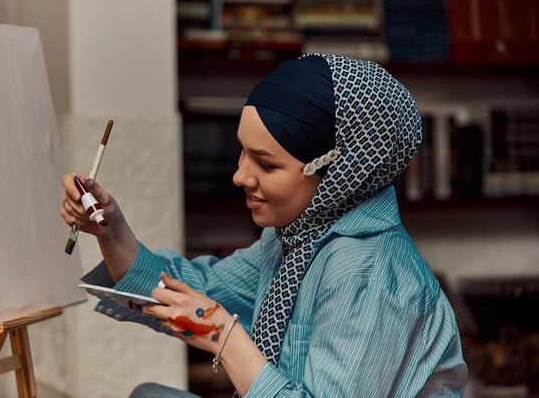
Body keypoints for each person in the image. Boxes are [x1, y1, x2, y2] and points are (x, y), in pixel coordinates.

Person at [60, 53, 468, 397]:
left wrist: (223, 334)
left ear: (338, 170)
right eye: (243, 152)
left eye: (267, 164)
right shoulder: (294, 239)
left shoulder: (372, 272)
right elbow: (193, 290)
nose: (240, 176)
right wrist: (110, 230)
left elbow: (211, 319)